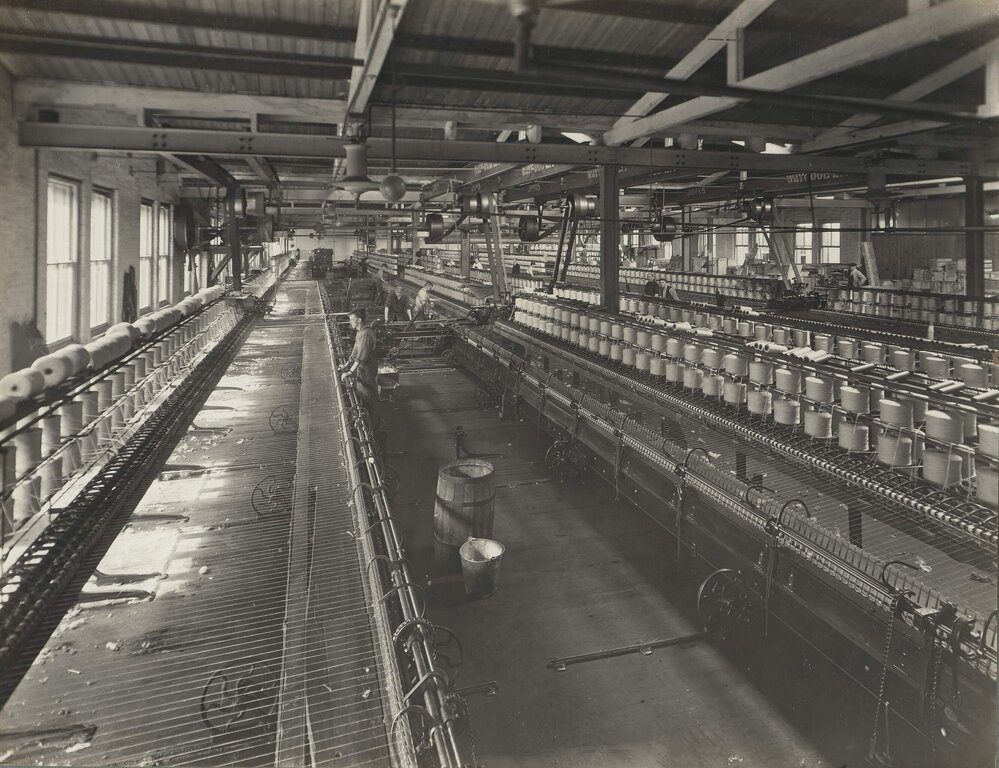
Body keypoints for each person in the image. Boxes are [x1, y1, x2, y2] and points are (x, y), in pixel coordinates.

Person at [340, 307, 378, 421]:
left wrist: (350, 372)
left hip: (367, 371)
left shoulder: (366, 334)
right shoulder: (360, 332)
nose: (350, 322)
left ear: (360, 320)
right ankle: (368, 417)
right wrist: (346, 365)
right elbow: (355, 352)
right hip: (361, 371)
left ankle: (375, 426)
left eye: (352, 320)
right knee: (362, 395)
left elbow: (361, 357)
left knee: (368, 397)